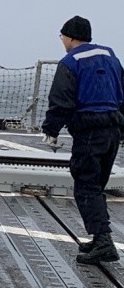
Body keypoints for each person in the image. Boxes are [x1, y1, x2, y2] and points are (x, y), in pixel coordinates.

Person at [42, 15, 124, 265]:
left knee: (86, 186)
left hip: (89, 132)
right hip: (113, 130)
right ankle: (100, 237)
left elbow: (61, 100)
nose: (62, 41)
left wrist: (51, 130)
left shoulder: (70, 62)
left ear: (70, 37)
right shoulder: (110, 56)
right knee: (97, 185)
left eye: (62, 37)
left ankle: (103, 241)